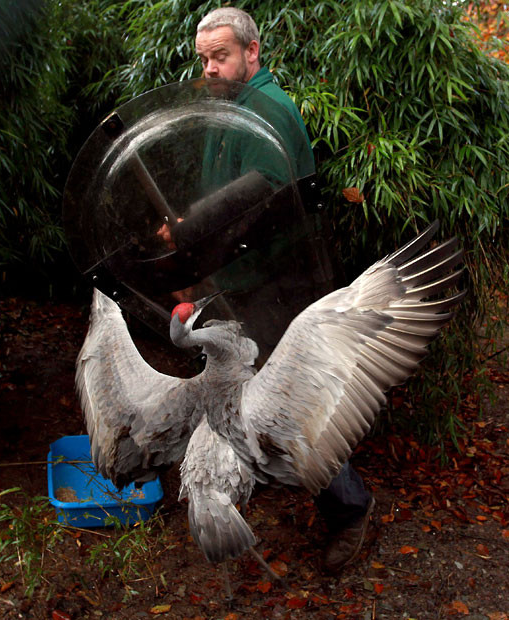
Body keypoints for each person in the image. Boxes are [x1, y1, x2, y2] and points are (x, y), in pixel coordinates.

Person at [191, 6, 375, 574]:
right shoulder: (230, 107)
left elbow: (258, 195)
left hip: (277, 288)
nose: (211, 69)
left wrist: (189, 227)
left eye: (221, 56)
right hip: (239, 283)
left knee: (296, 410)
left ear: (253, 52)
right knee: (247, 402)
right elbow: (213, 191)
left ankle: (351, 509)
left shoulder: (268, 110)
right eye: (204, 59)